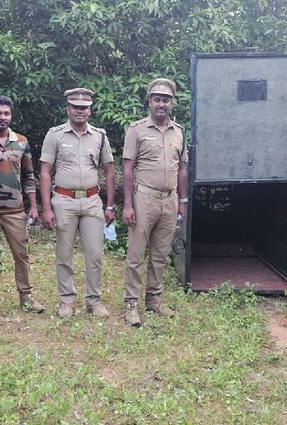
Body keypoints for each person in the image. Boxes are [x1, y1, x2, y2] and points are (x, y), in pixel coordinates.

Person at [39, 88, 116, 318]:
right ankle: (67, 301)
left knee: (95, 254)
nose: (79, 111)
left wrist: (110, 205)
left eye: (84, 108)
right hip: (64, 200)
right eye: (75, 107)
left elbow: (110, 172)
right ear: (68, 109)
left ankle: (94, 301)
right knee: (64, 253)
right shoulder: (55, 135)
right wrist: (46, 208)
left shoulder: (100, 136)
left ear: (90, 110)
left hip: (92, 201)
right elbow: (45, 171)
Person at [121, 78, 188, 326]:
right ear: (149, 102)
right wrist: (127, 204)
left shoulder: (178, 132)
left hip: (169, 200)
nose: (161, 103)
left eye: (166, 99)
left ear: (172, 103)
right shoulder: (136, 130)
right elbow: (127, 169)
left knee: (160, 254)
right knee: (136, 254)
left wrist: (183, 200)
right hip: (144, 198)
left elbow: (182, 168)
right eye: (157, 99)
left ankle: (154, 299)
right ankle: (131, 303)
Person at [0, 95, 44, 317]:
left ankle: (26, 296)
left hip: (15, 210)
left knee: (21, 255)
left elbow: (28, 176)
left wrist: (33, 206)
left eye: (6, 113)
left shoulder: (21, 142)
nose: (2, 117)